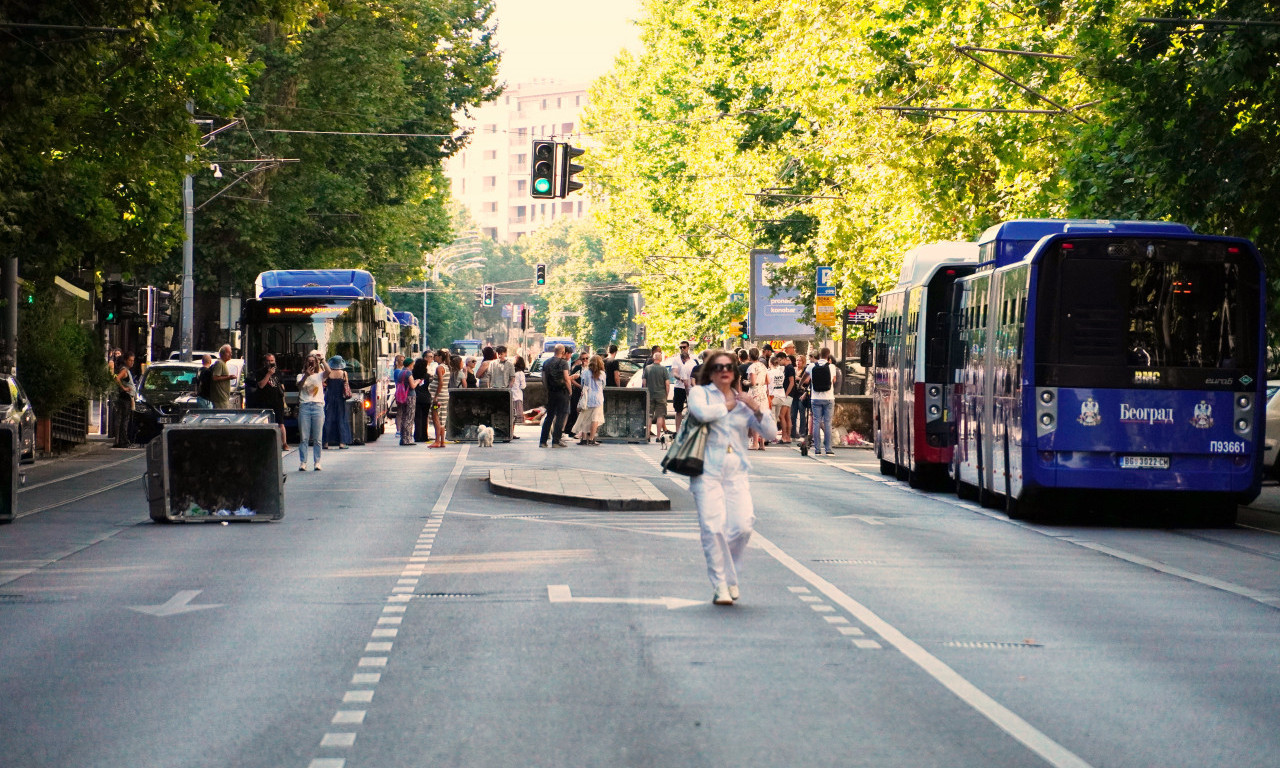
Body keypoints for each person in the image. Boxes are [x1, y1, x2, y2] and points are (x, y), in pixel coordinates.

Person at [687, 350, 776, 605]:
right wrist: (729, 405)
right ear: (710, 372)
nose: (724, 370)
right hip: (706, 470)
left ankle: (730, 575)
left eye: (729, 366)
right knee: (713, 527)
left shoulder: (744, 400)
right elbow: (701, 414)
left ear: (735, 372)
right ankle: (720, 585)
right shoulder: (699, 394)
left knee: (743, 525)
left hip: (736, 471)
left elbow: (770, 434)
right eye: (718, 367)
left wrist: (757, 409)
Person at [804, 347, 840, 455]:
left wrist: (801, 385)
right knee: (827, 423)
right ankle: (828, 449)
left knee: (816, 422)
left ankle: (817, 449)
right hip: (828, 398)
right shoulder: (832, 366)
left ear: (819, 355)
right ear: (828, 356)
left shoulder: (811, 366)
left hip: (815, 398)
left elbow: (805, 377)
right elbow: (834, 380)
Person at [249, 353, 288, 450]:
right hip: (265, 400)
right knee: (266, 422)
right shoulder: (260, 372)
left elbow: (282, 386)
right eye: (268, 361)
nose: (270, 363)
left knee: (281, 423)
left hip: (277, 400)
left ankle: (284, 443)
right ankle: (266, 443)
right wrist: (268, 374)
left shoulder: (278, 372)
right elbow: (261, 385)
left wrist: (284, 401)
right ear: (264, 362)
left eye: (272, 361)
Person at [296, 353, 326, 470]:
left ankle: (317, 462)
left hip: (318, 406)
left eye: (313, 361)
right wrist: (306, 376)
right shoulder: (301, 375)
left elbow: (329, 372)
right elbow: (299, 386)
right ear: (305, 363)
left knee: (318, 438)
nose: (311, 363)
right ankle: (303, 462)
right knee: (304, 437)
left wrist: (322, 360)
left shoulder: (319, 375)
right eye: (309, 361)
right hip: (305, 406)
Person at [539, 344, 572, 448]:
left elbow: (543, 379)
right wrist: (570, 390)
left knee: (549, 416)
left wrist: (547, 389)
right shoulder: (563, 363)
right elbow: (566, 378)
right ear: (563, 352)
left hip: (551, 392)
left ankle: (543, 441)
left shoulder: (546, 362)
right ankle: (556, 441)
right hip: (562, 392)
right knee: (560, 417)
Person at [323, 356, 353, 449]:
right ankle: (342, 443)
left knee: (328, 419)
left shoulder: (328, 373)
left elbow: (324, 384)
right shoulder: (344, 373)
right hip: (340, 398)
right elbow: (346, 385)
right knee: (341, 419)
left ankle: (326, 443)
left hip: (329, 397)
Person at [642, 348, 671, 442]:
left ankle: (648, 436)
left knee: (649, 416)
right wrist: (666, 395)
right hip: (661, 395)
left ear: (654, 358)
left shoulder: (647, 368)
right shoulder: (663, 369)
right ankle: (658, 437)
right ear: (661, 359)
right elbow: (667, 384)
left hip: (650, 395)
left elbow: (643, 383)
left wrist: (645, 393)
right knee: (660, 416)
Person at [577, 354, 606, 445]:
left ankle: (584, 439)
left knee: (585, 418)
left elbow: (583, 384)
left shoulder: (585, 372)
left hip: (587, 397)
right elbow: (603, 385)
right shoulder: (602, 373)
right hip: (598, 398)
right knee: (595, 419)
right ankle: (592, 439)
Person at [670, 340, 697, 435]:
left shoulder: (693, 359)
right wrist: (680, 378)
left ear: (688, 347)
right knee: (678, 410)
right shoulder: (676, 359)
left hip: (691, 387)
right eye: (680, 347)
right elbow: (674, 372)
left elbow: (697, 371)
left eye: (684, 347)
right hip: (679, 387)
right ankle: (677, 431)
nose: (682, 349)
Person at [427, 349, 451, 448]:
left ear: (440, 357)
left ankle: (437, 441)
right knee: (442, 419)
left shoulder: (439, 368)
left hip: (438, 398)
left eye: (435, 355)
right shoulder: (447, 367)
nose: (434, 357)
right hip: (444, 396)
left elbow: (440, 382)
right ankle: (441, 441)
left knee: (436, 416)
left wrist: (436, 396)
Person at [746, 348, 769, 449]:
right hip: (762, 393)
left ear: (749, 356)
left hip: (754, 393)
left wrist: (745, 382)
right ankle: (762, 444)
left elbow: (753, 382)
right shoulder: (763, 366)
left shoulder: (752, 367)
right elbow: (768, 380)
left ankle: (755, 443)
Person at [113, 352, 137, 447]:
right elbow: (117, 379)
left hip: (127, 397)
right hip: (125, 398)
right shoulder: (124, 370)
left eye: (133, 361)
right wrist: (124, 388)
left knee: (123, 419)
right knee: (124, 420)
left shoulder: (127, 370)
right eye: (130, 360)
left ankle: (121, 441)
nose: (132, 362)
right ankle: (123, 441)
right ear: (126, 360)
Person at [768, 352, 791, 445]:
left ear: (770, 363)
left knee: (772, 417)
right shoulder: (781, 371)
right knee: (776, 416)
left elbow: (768, 384)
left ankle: (773, 436)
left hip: (773, 395)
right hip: (781, 395)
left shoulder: (769, 372)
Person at [566, 350, 589, 438]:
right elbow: (571, 379)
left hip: (586, 391)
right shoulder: (577, 368)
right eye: (583, 359)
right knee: (575, 410)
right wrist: (579, 386)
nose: (585, 360)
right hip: (577, 390)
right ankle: (571, 429)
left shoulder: (590, 368)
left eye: (587, 358)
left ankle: (580, 430)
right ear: (580, 359)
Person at [396, 356, 418, 445]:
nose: (413, 366)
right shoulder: (408, 373)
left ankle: (403, 438)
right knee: (409, 417)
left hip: (403, 397)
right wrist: (417, 381)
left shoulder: (400, 372)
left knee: (404, 417)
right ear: (410, 364)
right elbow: (412, 386)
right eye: (412, 364)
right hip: (410, 396)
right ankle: (407, 438)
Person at [209, 344, 235, 409]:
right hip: (220, 399)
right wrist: (229, 377)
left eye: (231, 353)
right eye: (228, 352)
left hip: (224, 398)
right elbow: (215, 377)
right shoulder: (219, 363)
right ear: (223, 353)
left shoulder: (223, 363)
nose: (230, 354)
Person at [412, 354, 431, 442]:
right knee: (425, 417)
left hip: (416, 397)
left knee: (417, 417)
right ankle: (424, 436)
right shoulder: (427, 376)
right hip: (426, 398)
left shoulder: (413, 375)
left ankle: (417, 436)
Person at [792, 352, 809, 441]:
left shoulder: (805, 370)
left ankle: (802, 432)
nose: (798, 362)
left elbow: (807, 381)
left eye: (800, 361)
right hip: (794, 394)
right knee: (793, 414)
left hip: (802, 394)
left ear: (803, 362)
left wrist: (798, 378)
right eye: (797, 360)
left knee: (802, 414)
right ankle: (793, 433)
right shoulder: (794, 369)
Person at [510, 356, 527, 434]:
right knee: (515, 416)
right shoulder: (520, 373)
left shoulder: (511, 371)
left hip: (510, 395)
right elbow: (523, 386)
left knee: (510, 416)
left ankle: (510, 432)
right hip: (517, 396)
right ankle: (512, 432)